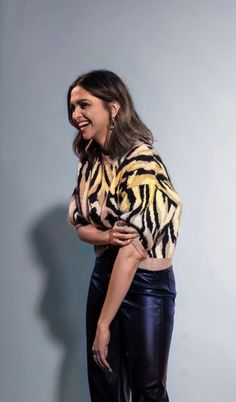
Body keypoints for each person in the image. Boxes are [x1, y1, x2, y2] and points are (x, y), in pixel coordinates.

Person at [67, 69, 183, 402]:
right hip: (104, 276)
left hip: (145, 285)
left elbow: (132, 253)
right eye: (72, 107)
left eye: (84, 105)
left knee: (147, 390)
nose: (75, 115)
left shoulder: (142, 162)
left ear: (113, 107)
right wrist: (105, 235)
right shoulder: (88, 162)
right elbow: (79, 226)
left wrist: (104, 324)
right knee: (104, 386)